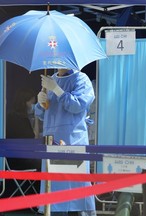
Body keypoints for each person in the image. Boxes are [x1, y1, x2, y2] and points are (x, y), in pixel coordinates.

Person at [34, 68, 96, 216]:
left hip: (73, 141)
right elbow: (42, 114)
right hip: (51, 142)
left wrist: (57, 89)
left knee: (77, 195)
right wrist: (40, 102)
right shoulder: (50, 80)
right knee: (54, 197)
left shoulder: (81, 79)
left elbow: (78, 105)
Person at [5, 88, 41, 198]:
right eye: (32, 102)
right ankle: (40, 198)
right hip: (19, 161)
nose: (33, 105)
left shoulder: (10, 116)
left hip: (10, 159)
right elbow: (34, 137)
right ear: (24, 102)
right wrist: (36, 118)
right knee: (45, 164)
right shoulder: (20, 119)